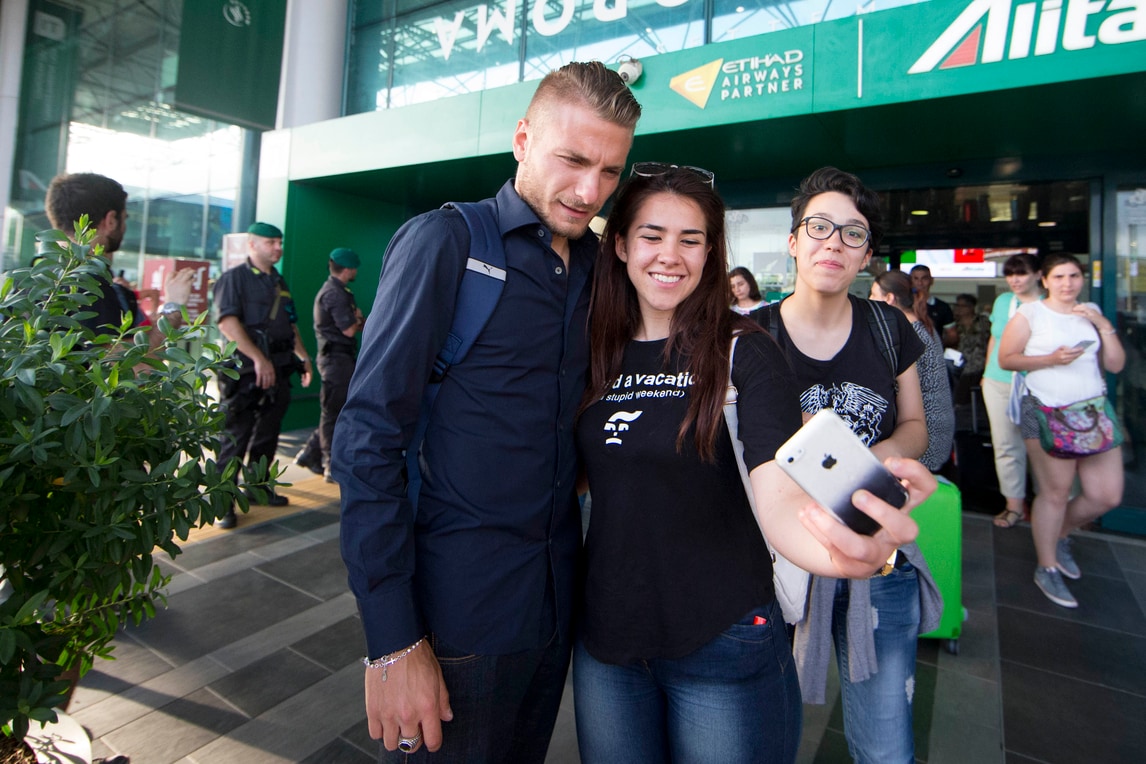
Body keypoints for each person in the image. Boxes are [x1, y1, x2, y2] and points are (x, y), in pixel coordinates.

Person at [333, 61, 641, 762]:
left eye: (609, 172)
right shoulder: (447, 243)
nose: (590, 191)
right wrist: (392, 640)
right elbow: (367, 437)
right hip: (454, 619)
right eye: (573, 160)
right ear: (523, 139)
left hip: (556, 608)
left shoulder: (600, 268)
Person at [573, 164, 933, 764]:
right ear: (621, 246)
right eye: (651, 236)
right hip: (607, 638)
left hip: (724, 636)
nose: (670, 255)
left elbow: (779, 493)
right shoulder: (592, 350)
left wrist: (844, 553)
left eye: (691, 240)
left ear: (711, 253)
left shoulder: (744, 351)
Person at [757, 167, 942, 764]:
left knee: (885, 746)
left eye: (853, 233)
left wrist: (860, 466)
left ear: (866, 255)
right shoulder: (751, 335)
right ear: (794, 241)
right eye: (819, 227)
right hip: (775, 563)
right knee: (758, 734)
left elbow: (916, 427)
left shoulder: (890, 328)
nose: (833, 242)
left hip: (879, 558)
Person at [997, 254, 1125, 608]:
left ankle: (1059, 534)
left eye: (1073, 276)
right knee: (1055, 492)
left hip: (1091, 411)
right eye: (1059, 277)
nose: (1067, 283)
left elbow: (1115, 364)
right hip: (1043, 409)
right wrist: (1050, 360)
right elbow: (1007, 359)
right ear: (1045, 280)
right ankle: (1047, 565)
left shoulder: (1091, 312)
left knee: (1106, 495)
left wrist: (1103, 325)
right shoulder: (1031, 313)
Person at [212, 222, 313, 529]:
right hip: (245, 371)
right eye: (271, 242)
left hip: (279, 368)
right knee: (236, 436)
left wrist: (303, 356)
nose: (278, 248)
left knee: (268, 434)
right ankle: (222, 502)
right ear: (252, 245)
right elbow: (227, 323)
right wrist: (259, 359)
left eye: (279, 242)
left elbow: (290, 324)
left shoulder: (278, 281)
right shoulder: (234, 279)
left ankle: (257, 489)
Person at [43, 172, 193, 342]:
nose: (124, 227)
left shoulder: (34, 278)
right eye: (124, 218)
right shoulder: (89, 284)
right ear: (111, 220)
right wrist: (173, 307)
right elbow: (125, 357)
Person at [871, 269, 954, 471]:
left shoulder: (905, 333)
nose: (870, 300)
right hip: (936, 426)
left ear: (889, 299)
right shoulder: (921, 324)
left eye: (873, 295)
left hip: (922, 434)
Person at [293, 247, 365, 482]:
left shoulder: (341, 292)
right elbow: (349, 329)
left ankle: (310, 453)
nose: (356, 272)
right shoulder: (334, 294)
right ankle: (329, 464)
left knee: (336, 409)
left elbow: (355, 324)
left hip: (340, 359)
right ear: (348, 269)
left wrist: (357, 320)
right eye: (354, 268)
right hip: (335, 360)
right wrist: (357, 319)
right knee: (333, 413)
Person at [982, 253, 1042, 528]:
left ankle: (1049, 504)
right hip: (998, 381)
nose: (1015, 279)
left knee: (1043, 447)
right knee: (1006, 444)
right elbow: (994, 338)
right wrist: (986, 373)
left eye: (1022, 273)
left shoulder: (1049, 304)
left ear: (1038, 275)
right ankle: (1014, 505)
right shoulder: (1004, 301)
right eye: (1010, 274)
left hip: (1038, 384)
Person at [951, 293, 991, 404]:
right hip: (959, 363)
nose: (959, 309)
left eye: (962, 306)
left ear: (971, 307)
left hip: (979, 362)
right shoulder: (954, 324)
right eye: (957, 305)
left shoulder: (983, 322)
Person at [910, 264, 954, 336]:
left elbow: (952, 335)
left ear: (931, 281)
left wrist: (936, 343)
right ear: (910, 281)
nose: (920, 283)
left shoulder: (943, 307)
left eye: (924, 278)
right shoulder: (903, 304)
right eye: (916, 279)